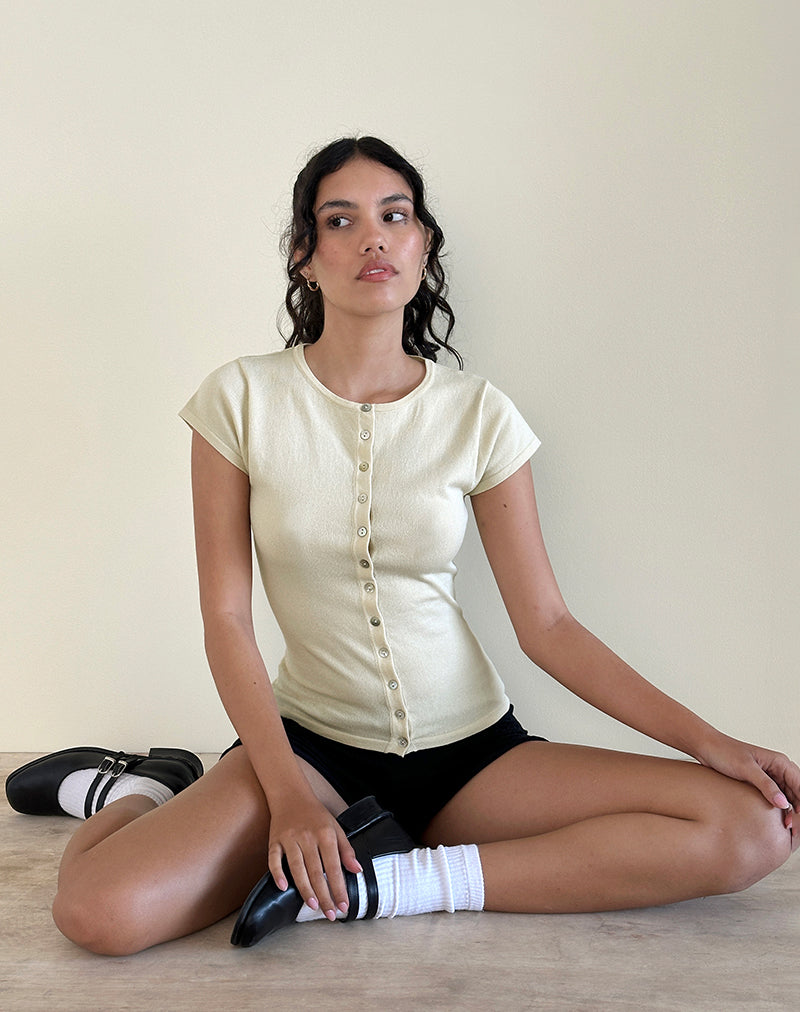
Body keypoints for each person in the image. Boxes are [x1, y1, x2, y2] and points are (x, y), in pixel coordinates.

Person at [6, 137, 797, 956]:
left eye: (395, 216)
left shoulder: (479, 414)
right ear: (304, 255)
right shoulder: (239, 399)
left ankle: (393, 884)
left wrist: (712, 743)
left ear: (423, 247)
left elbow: (549, 626)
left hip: (472, 758)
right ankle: (139, 788)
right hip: (308, 751)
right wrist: (286, 794)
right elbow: (227, 620)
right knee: (97, 913)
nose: (373, 238)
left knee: (753, 827)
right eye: (340, 221)